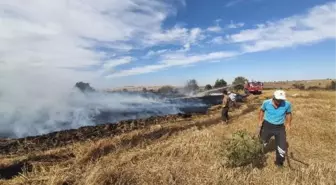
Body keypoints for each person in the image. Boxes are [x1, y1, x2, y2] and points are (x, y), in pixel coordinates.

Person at [258, 90, 292, 167]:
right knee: (262, 142)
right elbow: (262, 111)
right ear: (273, 97)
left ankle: (279, 163)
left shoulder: (287, 104)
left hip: (280, 128)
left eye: (281, 100)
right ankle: (258, 155)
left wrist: (288, 123)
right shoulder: (266, 102)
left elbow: (288, 113)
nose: (279, 101)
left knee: (282, 147)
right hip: (267, 125)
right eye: (278, 100)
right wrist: (260, 121)